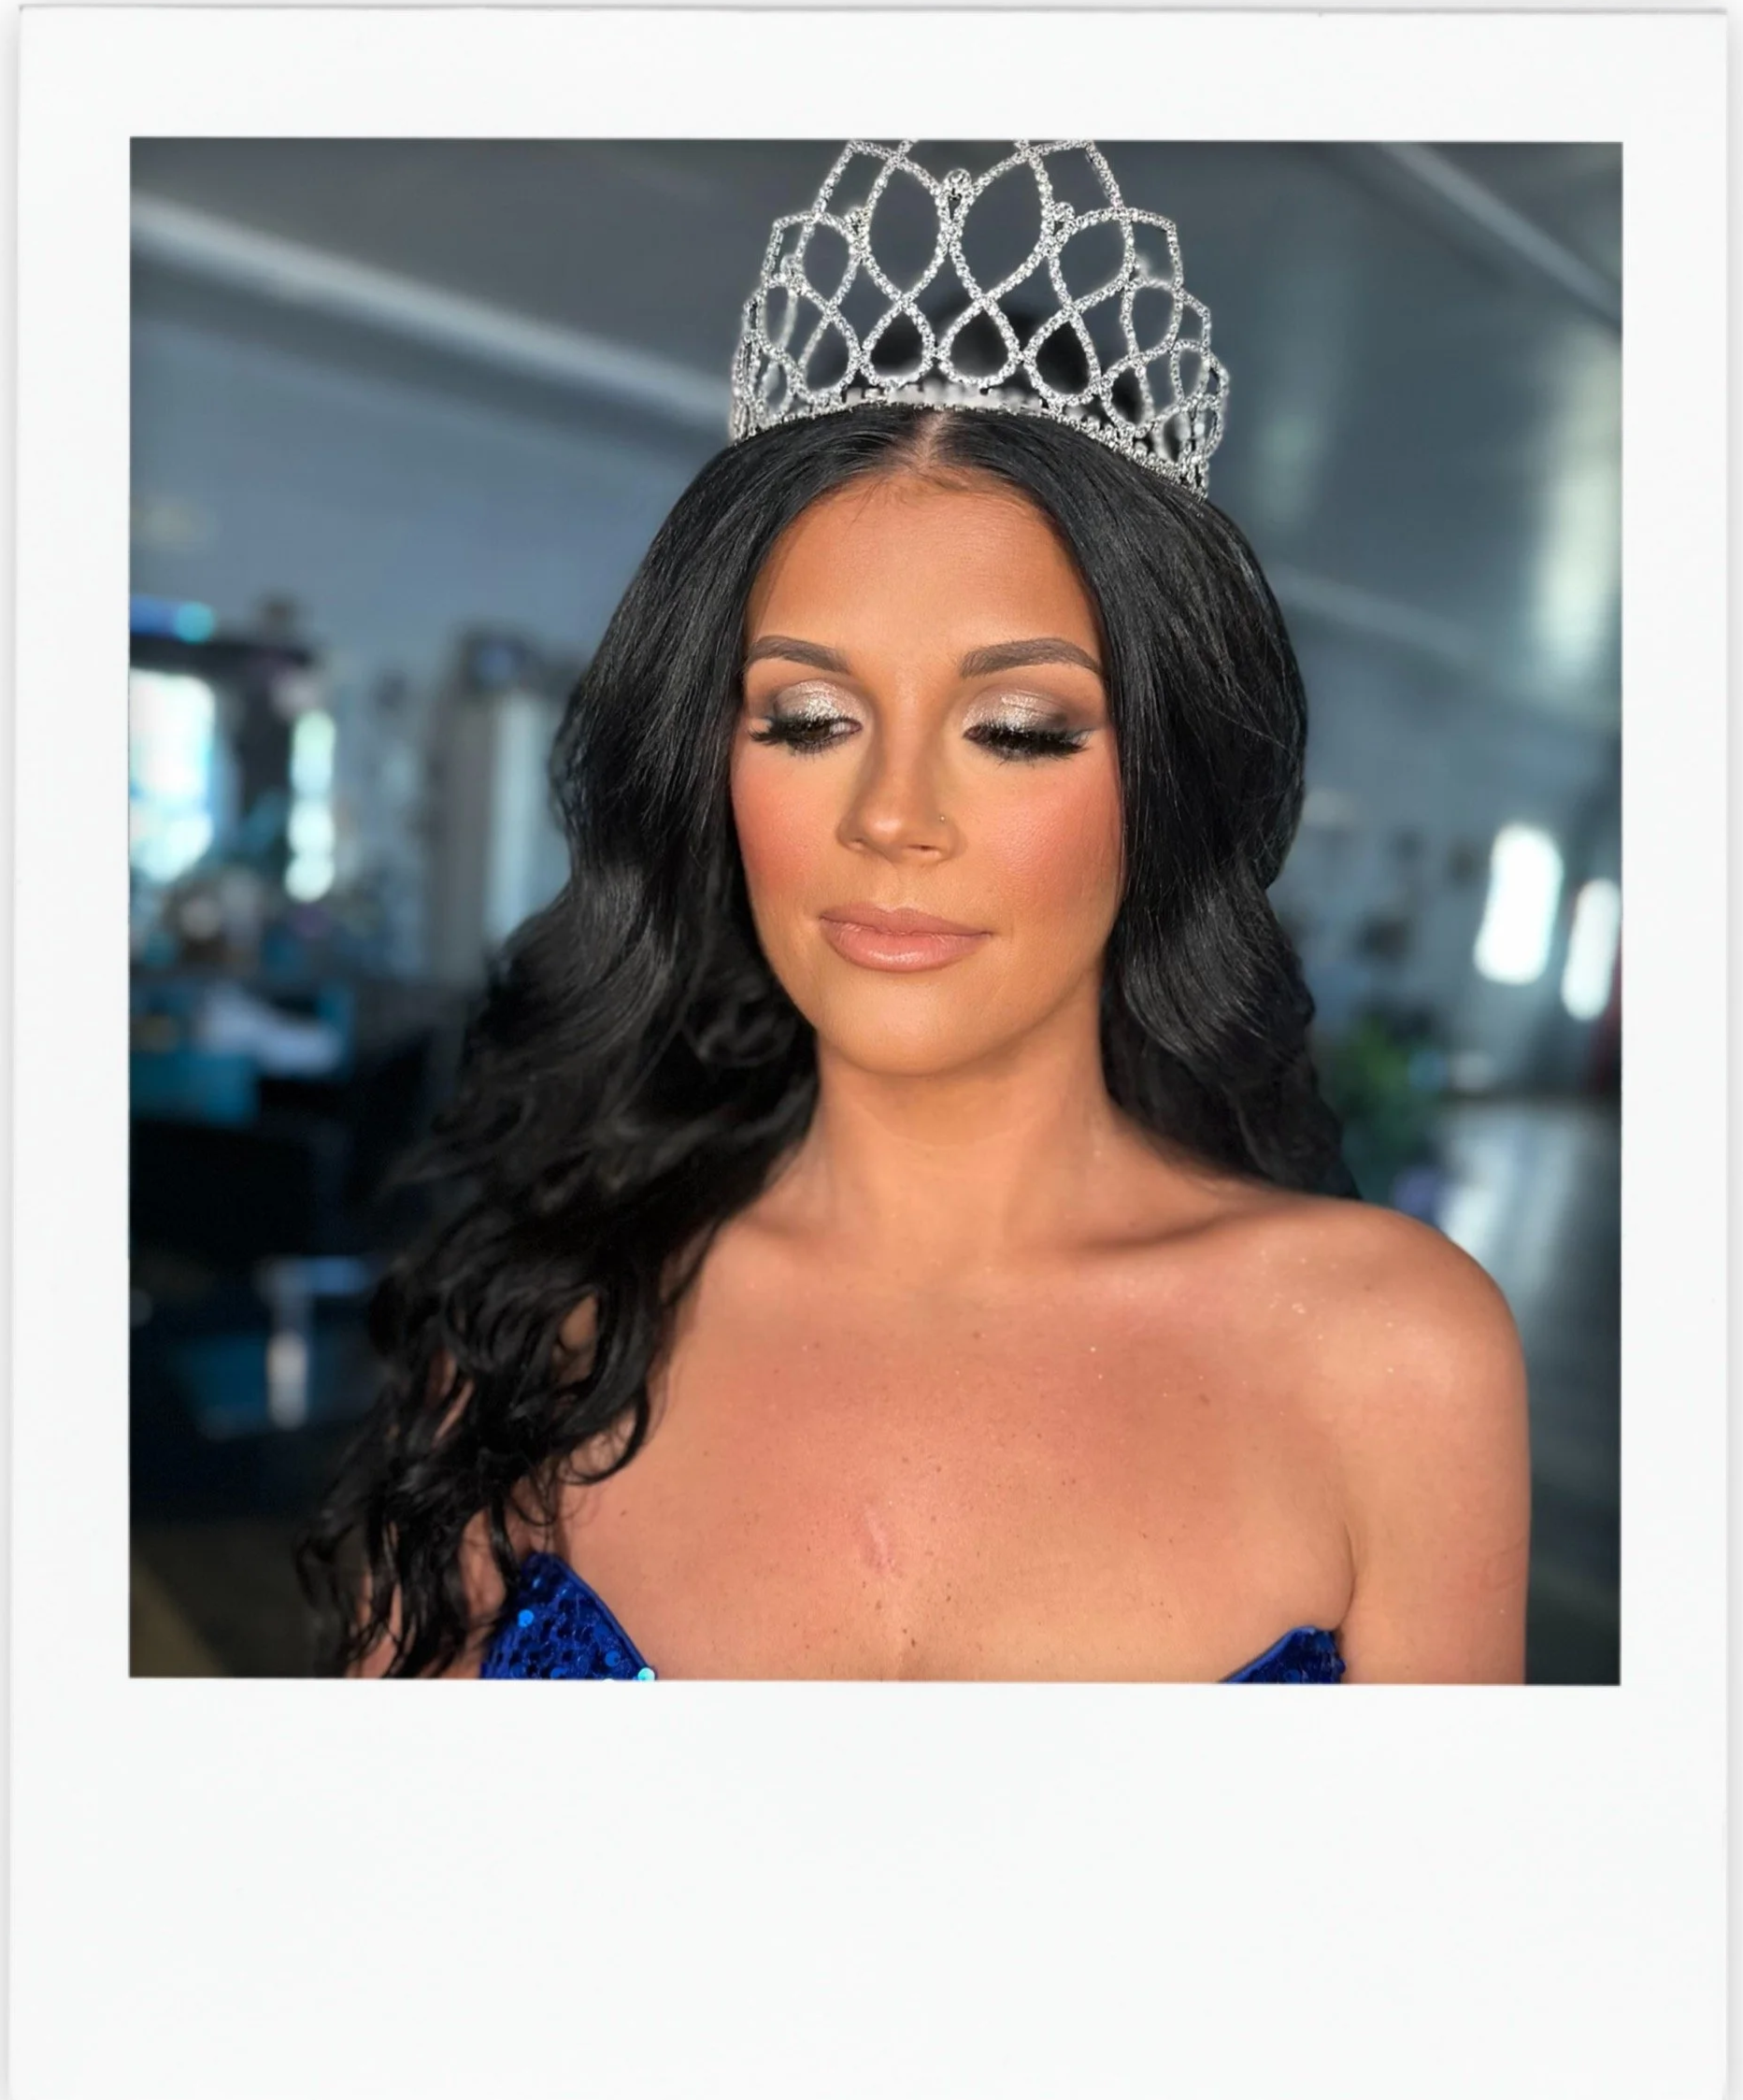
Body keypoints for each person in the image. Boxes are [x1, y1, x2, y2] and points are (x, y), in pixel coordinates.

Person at [298, 141, 1530, 1683]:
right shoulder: (539, 1330)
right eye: (808, 719)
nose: (890, 818)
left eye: (1015, 730)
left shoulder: (1395, 1358)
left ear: (1164, 783)